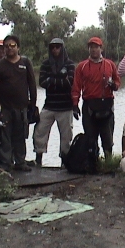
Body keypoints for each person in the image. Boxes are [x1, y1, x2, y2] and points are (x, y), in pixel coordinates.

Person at [0, 35, 37, 172]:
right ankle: (6, 163)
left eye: (13, 46)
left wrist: (33, 104)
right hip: (5, 108)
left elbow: (32, 84)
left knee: (20, 135)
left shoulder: (25, 62)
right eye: (7, 46)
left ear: (18, 47)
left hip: (22, 107)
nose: (9, 48)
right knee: (5, 136)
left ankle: (20, 161)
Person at [71, 37, 121, 159]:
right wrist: (74, 105)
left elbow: (117, 83)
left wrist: (113, 85)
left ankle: (109, 163)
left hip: (106, 104)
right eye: (91, 47)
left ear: (101, 48)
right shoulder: (81, 66)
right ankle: (92, 163)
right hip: (89, 105)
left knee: (107, 138)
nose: (93, 50)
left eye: (96, 47)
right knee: (90, 138)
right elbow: (76, 87)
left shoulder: (110, 64)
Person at [32, 38, 75, 166]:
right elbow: (42, 82)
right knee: (39, 131)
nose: (55, 49)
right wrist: (59, 79)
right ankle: (38, 159)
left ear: (62, 48)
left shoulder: (70, 64)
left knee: (66, 137)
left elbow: (69, 83)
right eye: (53, 47)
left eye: (58, 47)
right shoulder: (45, 64)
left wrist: (52, 80)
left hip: (65, 106)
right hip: (49, 105)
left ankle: (64, 161)